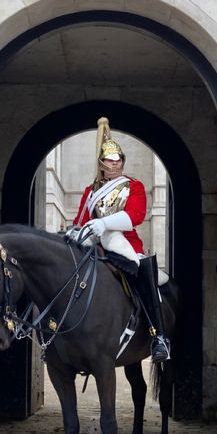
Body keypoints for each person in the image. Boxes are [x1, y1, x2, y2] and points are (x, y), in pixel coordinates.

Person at [72, 117, 171, 363]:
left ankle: (158, 337)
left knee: (142, 273)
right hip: (95, 243)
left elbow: (136, 216)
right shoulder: (90, 191)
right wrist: (77, 231)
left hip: (124, 242)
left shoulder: (133, 186)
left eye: (119, 160)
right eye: (110, 160)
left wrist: (105, 223)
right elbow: (81, 219)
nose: (115, 165)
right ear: (101, 164)